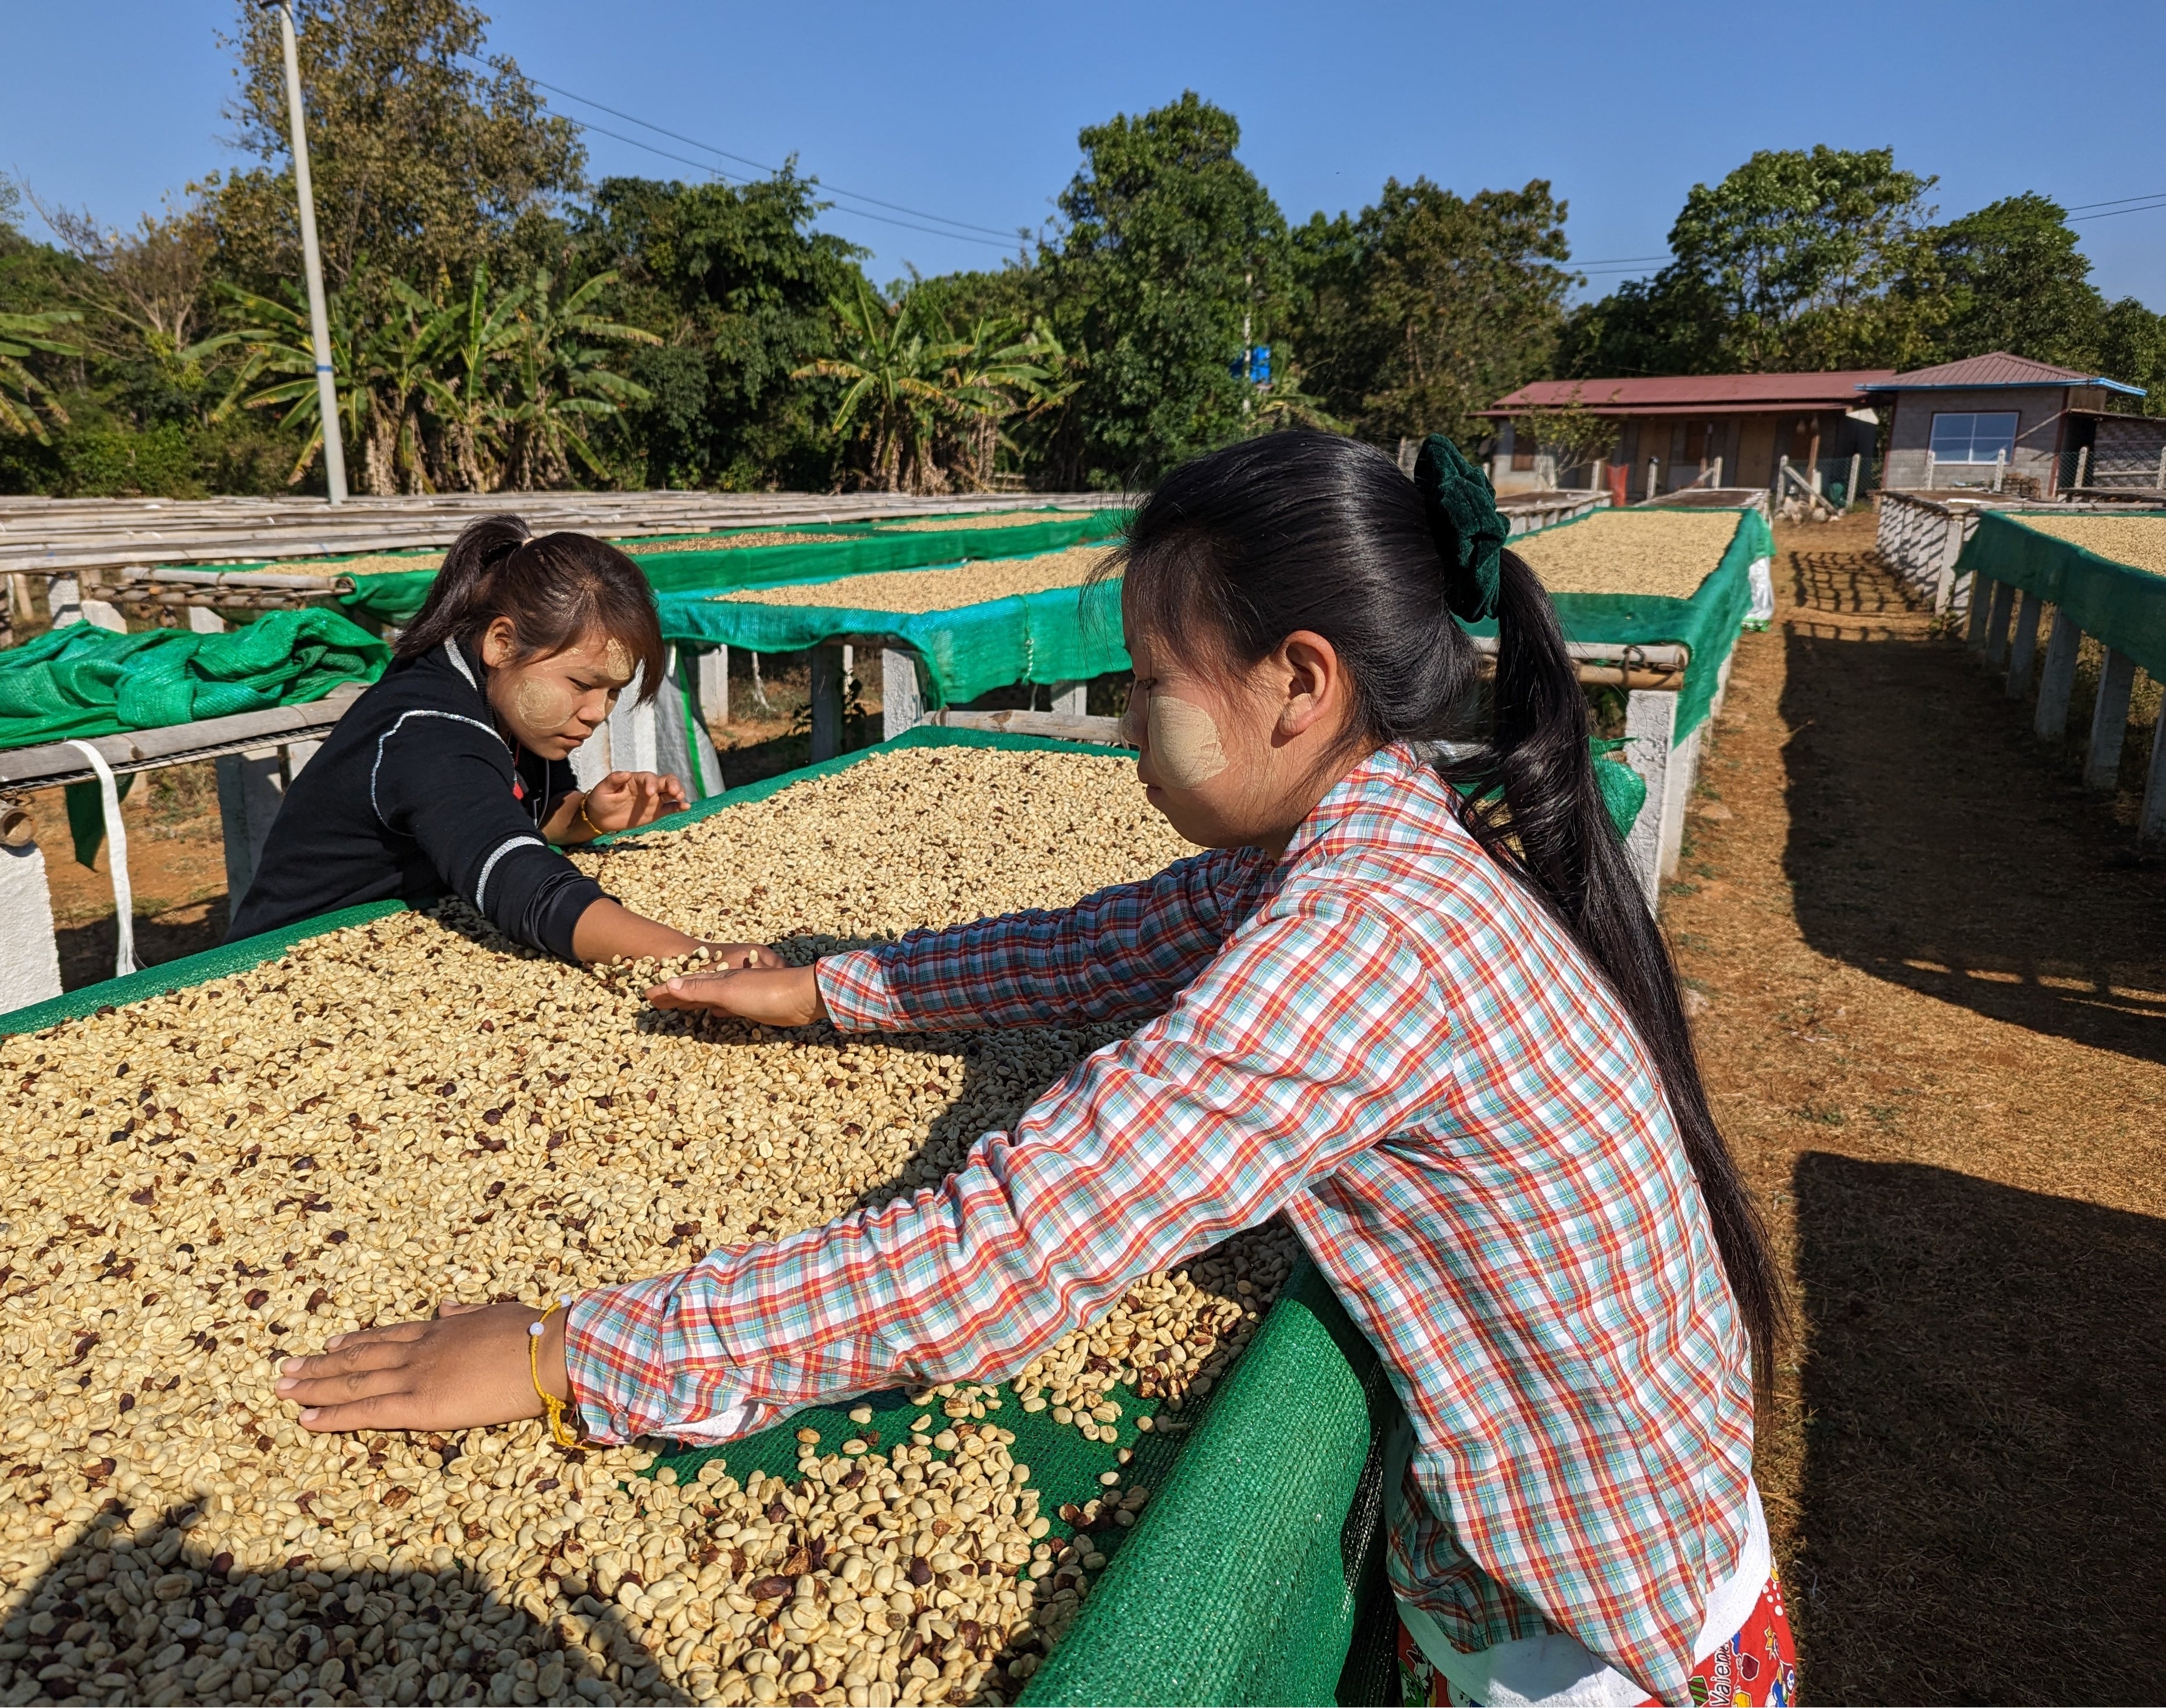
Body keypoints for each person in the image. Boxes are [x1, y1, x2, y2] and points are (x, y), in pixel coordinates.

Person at [273, 437, 1794, 1706]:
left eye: (1145, 680)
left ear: (1297, 683)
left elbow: (1003, 1251)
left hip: (1600, 1629)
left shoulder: (1358, 942)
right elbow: (1091, 953)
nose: (1128, 720)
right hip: (1574, 1542)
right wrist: (828, 989)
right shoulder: (1366, 834)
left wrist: (565, 1354)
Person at [229, 515, 761, 968]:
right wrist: (703, 958)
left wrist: (587, 816)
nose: (597, 713)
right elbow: (522, 883)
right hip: (276, 963)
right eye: (581, 684)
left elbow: (524, 817)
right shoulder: (429, 731)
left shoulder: (509, 704)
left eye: (613, 692)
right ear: (501, 643)